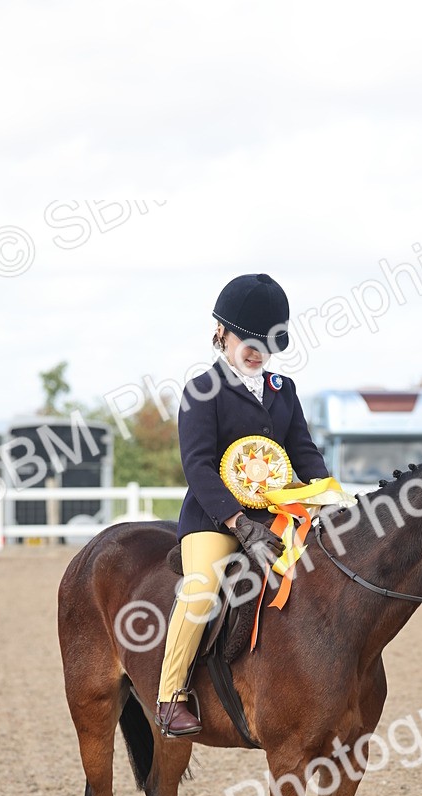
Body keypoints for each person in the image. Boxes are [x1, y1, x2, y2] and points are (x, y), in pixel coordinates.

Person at [156, 273, 329, 737]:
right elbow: (198, 466)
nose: (256, 351)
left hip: (275, 514)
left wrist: (327, 493)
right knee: (201, 587)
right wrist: (235, 520)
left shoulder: (282, 389)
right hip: (214, 518)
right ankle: (170, 696)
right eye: (247, 340)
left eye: (266, 344)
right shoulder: (201, 391)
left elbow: (303, 450)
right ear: (221, 333)